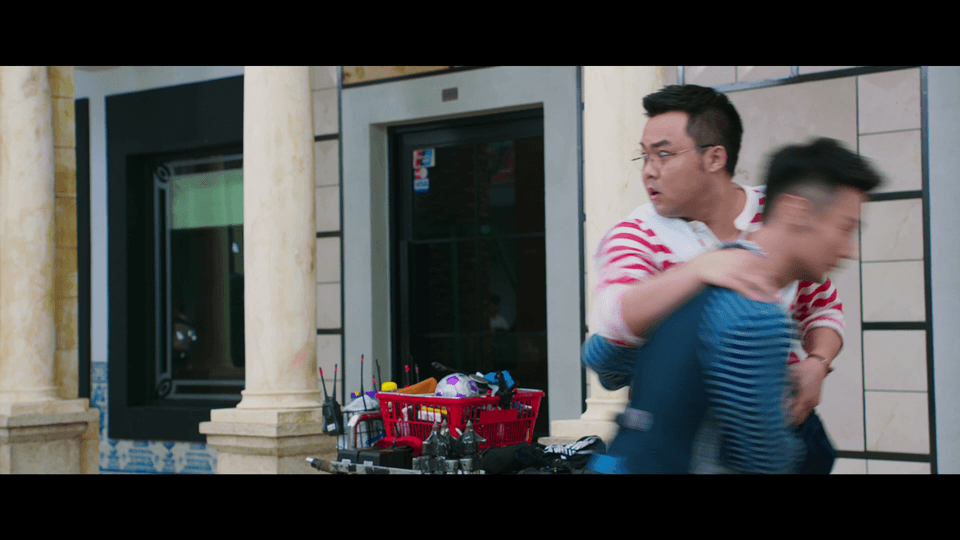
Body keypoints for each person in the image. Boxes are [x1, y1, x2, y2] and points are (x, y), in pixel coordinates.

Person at [584, 137, 883, 473]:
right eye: (845, 228)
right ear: (796, 212)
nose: (848, 250)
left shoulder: (689, 280)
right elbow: (762, 459)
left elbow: (600, 355)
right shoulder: (756, 312)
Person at [588, 84, 842, 426]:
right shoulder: (637, 233)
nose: (649, 170)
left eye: (664, 154)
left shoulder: (776, 213)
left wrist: (817, 363)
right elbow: (613, 317)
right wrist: (700, 270)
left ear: (715, 158)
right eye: (644, 156)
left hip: (775, 425)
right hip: (681, 434)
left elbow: (822, 306)